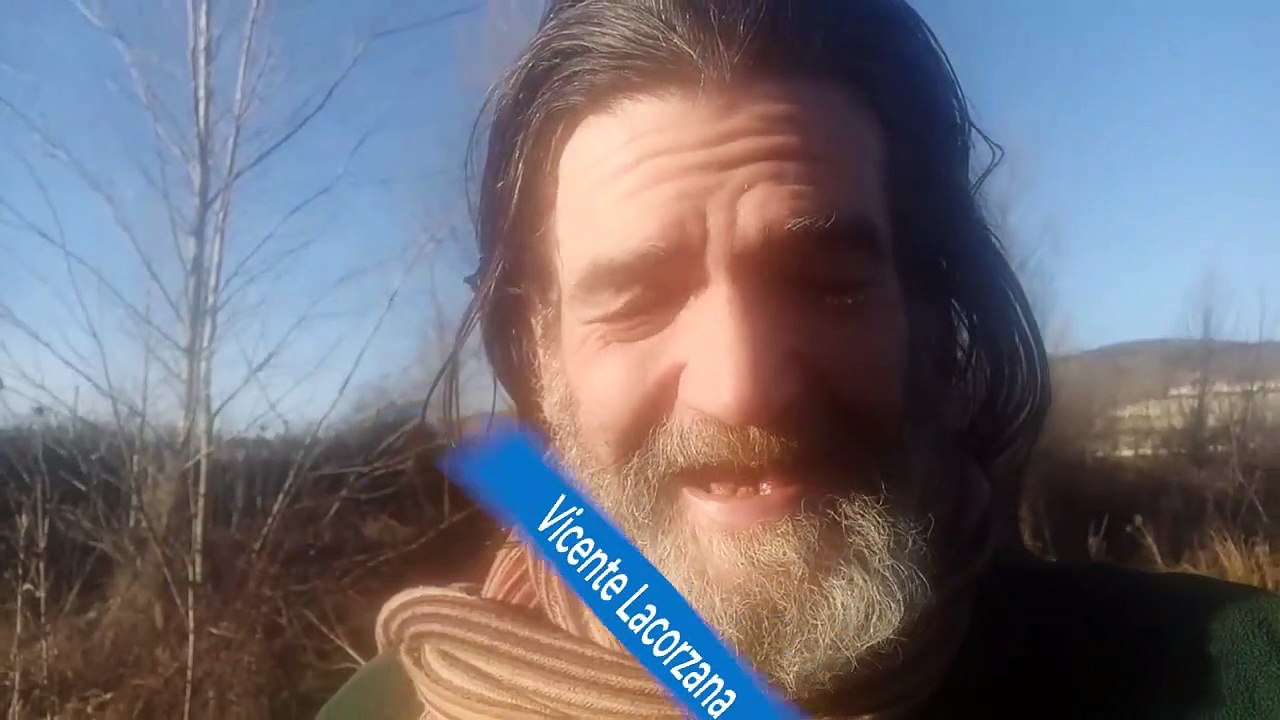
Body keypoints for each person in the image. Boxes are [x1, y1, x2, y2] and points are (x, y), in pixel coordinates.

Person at [318, 1, 1280, 717]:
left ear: (929, 314)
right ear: (540, 354)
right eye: (638, 300)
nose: (744, 387)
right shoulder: (383, 711)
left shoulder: (1230, 678)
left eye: (830, 285)